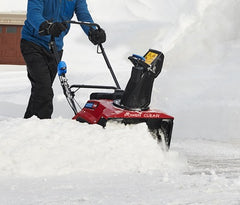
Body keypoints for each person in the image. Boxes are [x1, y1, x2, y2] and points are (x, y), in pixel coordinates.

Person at [21, 0, 106, 119]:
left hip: (55, 46)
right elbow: (33, 14)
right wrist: (47, 26)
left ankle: (29, 123)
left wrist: (93, 32)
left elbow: (83, 15)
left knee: (41, 89)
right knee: (43, 87)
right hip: (33, 43)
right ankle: (43, 123)